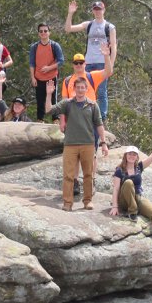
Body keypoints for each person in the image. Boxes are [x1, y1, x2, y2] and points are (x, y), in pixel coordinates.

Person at [47, 76, 109, 211]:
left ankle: (87, 201)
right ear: (74, 89)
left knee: (88, 174)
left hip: (88, 144)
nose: (80, 90)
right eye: (78, 87)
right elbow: (49, 110)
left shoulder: (93, 105)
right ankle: (67, 203)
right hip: (70, 144)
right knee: (68, 175)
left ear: (86, 89)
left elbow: (99, 125)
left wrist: (103, 143)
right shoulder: (67, 103)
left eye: (83, 87)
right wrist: (48, 94)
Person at [110, 145, 152, 246]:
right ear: (125, 156)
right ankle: (132, 211)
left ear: (137, 157)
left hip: (137, 197)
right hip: (124, 200)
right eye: (129, 154)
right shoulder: (119, 170)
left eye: (134, 154)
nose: (132, 156)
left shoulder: (138, 167)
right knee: (129, 182)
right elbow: (116, 189)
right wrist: (114, 206)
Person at [64, 0, 117, 120]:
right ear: (93, 11)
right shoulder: (89, 24)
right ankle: (85, 113)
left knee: (102, 92)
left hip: (103, 62)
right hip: (88, 63)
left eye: (100, 9)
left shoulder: (110, 27)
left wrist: (111, 65)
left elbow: (114, 47)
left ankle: (101, 118)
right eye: (95, 9)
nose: (97, 11)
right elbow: (68, 29)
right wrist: (70, 13)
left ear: (104, 10)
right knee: (85, 88)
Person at [28, 23, 65, 121]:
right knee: (40, 99)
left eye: (45, 31)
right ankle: (40, 119)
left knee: (53, 98)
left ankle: (55, 119)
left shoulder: (54, 45)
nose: (43, 33)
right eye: (41, 31)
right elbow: (32, 63)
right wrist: (32, 77)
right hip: (38, 77)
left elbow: (61, 61)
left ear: (49, 33)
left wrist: (49, 68)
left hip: (51, 76)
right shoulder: (34, 47)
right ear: (38, 33)